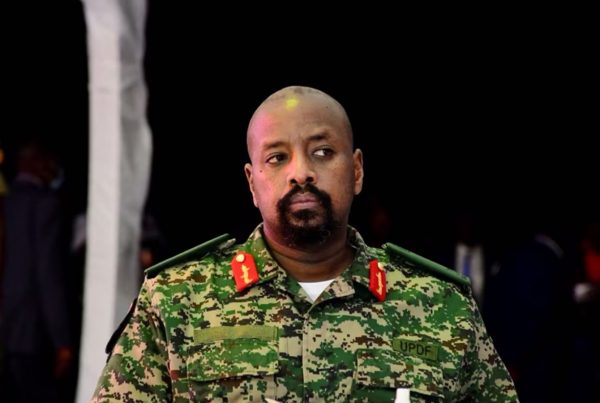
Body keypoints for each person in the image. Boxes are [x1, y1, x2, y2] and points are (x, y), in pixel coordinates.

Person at [92, 86, 517, 401]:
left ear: (356, 171)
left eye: (322, 152)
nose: (301, 173)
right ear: (252, 183)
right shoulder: (173, 299)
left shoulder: (442, 306)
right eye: (277, 157)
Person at [0, 141, 73, 403]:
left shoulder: (7, 202)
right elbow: (48, 275)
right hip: (32, 330)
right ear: (37, 164)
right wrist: (62, 340)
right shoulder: (44, 205)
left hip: (8, 326)